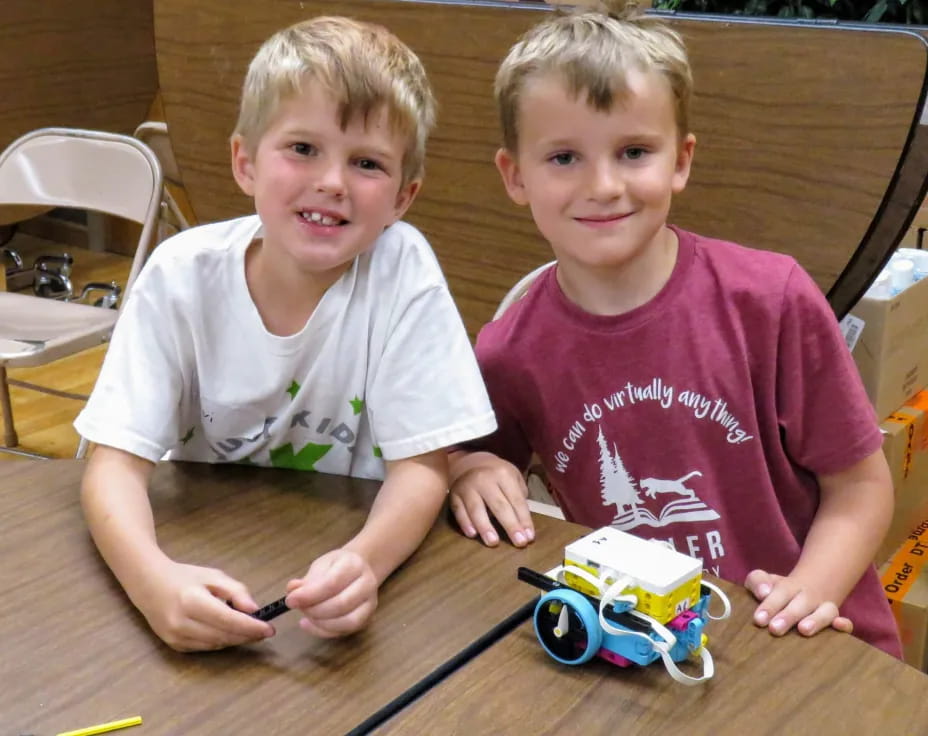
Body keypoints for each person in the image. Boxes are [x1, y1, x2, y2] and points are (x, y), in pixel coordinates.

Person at [448, 0, 901, 656]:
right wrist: (469, 469)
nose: (604, 185)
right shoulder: (507, 352)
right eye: (564, 158)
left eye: (633, 151)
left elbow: (859, 486)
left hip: (813, 645)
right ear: (515, 176)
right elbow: (469, 464)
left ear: (681, 161)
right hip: (644, 656)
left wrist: (808, 592)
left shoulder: (770, 300)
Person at [75, 16, 496, 652]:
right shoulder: (180, 274)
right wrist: (151, 581)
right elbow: (113, 466)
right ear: (245, 162)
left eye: (367, 163)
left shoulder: (402, 269)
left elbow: (420, 469)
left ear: (403, 198)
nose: (332, 182)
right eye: (302, 148)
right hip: (200, 547)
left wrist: (365, 564)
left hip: (334, 557)